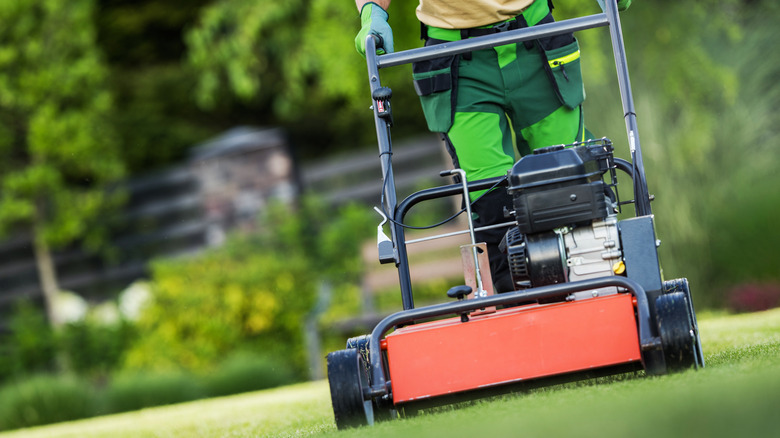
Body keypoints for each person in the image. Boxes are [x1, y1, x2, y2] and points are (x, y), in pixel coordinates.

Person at [354, 0, 631, 292]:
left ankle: (602, 293)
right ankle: (522, 312)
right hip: (455, 59)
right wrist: (373, 11)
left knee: (571, 186)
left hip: (534, 40)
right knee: (494, 207)